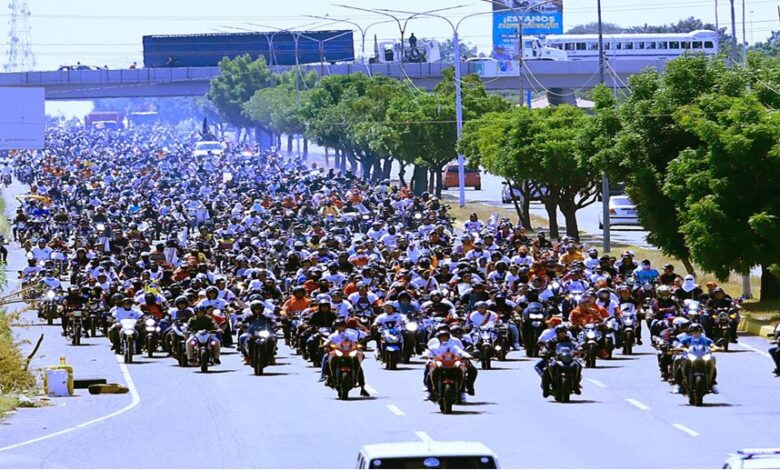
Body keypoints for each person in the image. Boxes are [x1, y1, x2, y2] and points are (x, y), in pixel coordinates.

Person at [319, 318, 370, 397]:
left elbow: (355, 343)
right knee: (326, 358)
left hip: (349, 352)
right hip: (337, 352)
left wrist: (358, 347)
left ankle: (362, 387)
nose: (340, 327)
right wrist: (325, 345)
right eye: (338, 326)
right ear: (335, 327)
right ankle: (325, 375)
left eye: (342, 326)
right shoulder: (333, 335)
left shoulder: (351, 334)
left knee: (359, 366)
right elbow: (328, 342)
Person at [535, 324, 581, 397]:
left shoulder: (570, 339)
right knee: (546, 369)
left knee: (578, 365)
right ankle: (546, 389)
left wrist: (579, 349)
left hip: (568, 358)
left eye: (564, 332)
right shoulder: (552, 340)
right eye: (561, 332)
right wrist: (545, 351)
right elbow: (546, 347)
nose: (563, 334)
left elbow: (576, 345)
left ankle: (576, 384)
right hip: (556, 358)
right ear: (557, 333)